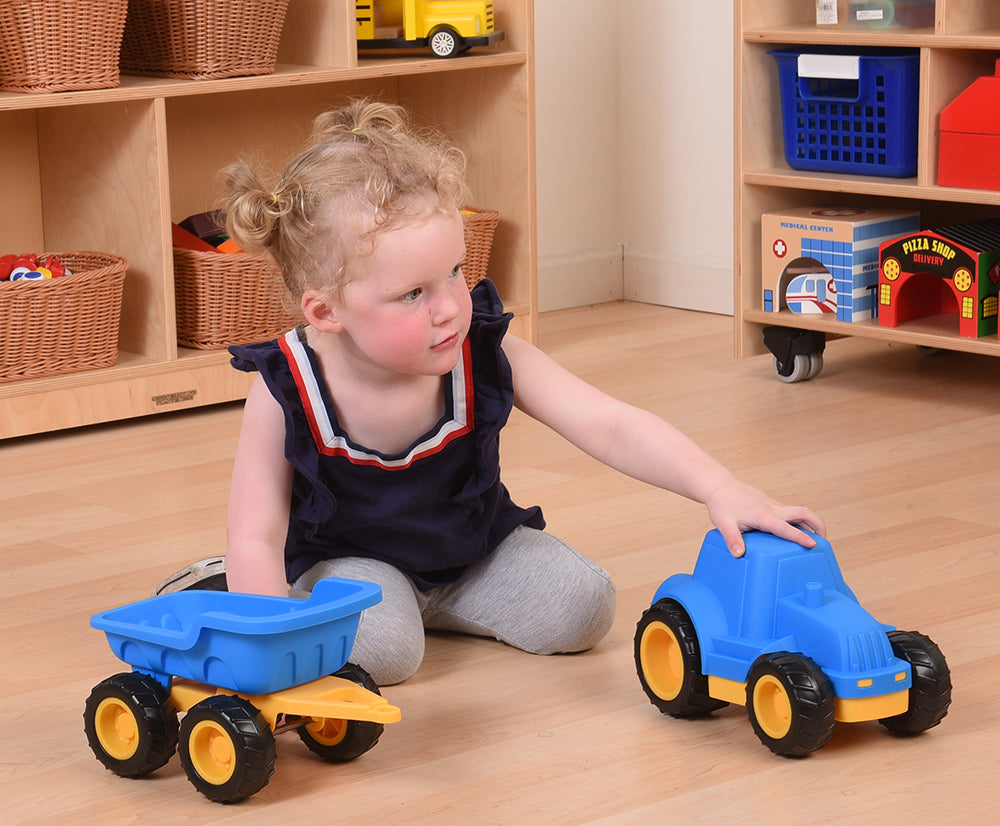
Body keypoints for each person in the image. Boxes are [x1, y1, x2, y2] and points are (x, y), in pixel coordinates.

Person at [157, 98, 824, 686]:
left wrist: (720, 488)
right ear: (326, 311)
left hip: (471, 550)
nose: (449, 306)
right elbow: (257, 529)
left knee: (584, 608)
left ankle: (437, 611)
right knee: (386, 652)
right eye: (412, 293)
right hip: (351, 561)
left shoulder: (479, 345)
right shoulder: (287, 387)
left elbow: (608, 424)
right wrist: (271, 648)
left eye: (454, 272)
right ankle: (242, 590)